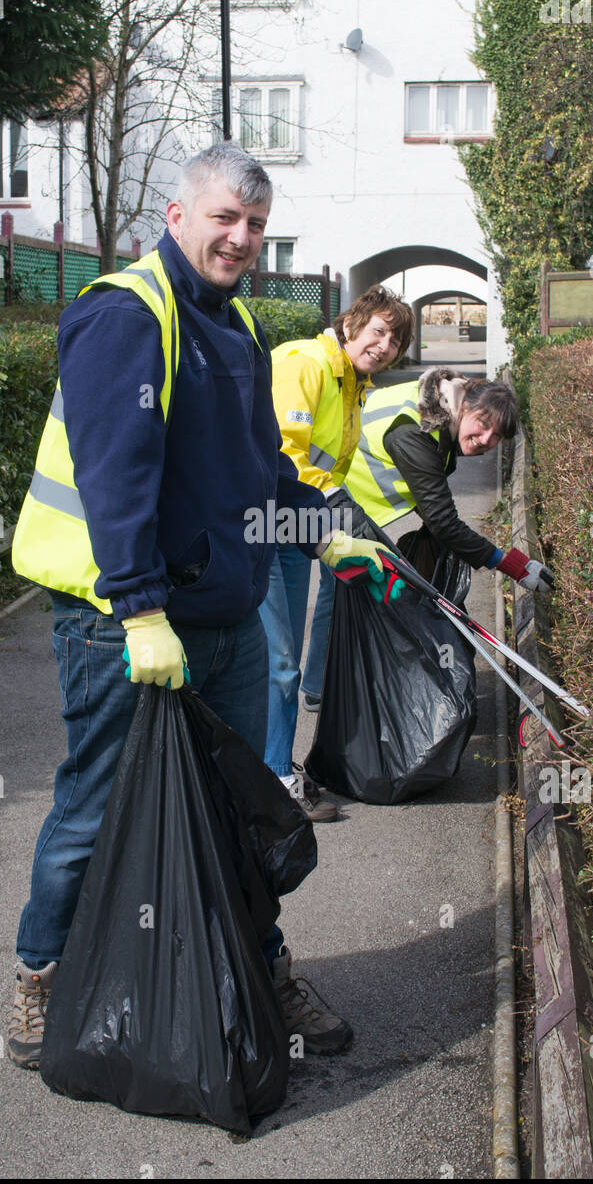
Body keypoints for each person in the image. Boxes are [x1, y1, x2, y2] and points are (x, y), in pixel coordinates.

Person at [6, 142, 393, 1067]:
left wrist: (324, 529)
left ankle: (261, 968)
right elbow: (115, 478)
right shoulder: (126, 316)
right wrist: (140, 612)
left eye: (256, 225)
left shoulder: (242, 329)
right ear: (177, 216)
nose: (241, 238)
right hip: (121, 629)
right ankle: (39, 979)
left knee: (239, 812)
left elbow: (259, 473)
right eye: (225, 218)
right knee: (95, 808)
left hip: (225, 621)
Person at [300, 367, 554, 707]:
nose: (485, 439)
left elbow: (430, 500)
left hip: (351, 505)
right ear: (465, 407)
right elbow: (443, 522)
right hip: (336, 501)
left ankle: (327, 686)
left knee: (346, 593)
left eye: (496, 437)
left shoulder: (441, 417)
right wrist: (512, 566)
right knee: (342, 591)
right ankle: (323, 689)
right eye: (483, 423)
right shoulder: (417, 432)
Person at [259, 287, 414, 821]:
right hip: (256, 524)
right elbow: (283, 453)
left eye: (394, 340)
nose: (384, 344)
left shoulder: (352, 383)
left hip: (293, 525)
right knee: (275, 661)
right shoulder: (309, 364)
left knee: (285, 660)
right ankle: (274, 779)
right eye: (378, 330)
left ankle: (273, 767)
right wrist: (337, 519)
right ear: (351, 323)